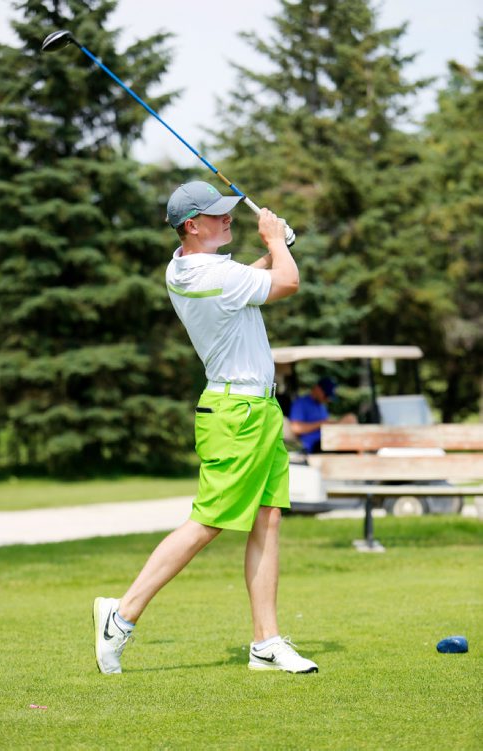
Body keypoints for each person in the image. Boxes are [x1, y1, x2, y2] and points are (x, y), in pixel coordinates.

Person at [93, 180, 318, 675]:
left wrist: (273, 250)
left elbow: (248, 279)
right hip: (235, 415)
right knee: (209, 522)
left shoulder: (190, 268)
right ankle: (122, 613)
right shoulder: (206, 273)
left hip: (258, 410)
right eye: (217, 215)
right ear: (192, 225)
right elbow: (287, 284)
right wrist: (277, 241)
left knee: (268, 518)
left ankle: (266, 641)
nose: (228, 219)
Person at [290, 377, 357, 453]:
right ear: (317, 389)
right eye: (326, 395)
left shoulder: (321, 406)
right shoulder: (300, 403)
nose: (328, 399)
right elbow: (296, 428)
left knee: (351, 420)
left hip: (328, 439)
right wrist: (321, 423)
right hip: (315, 445)